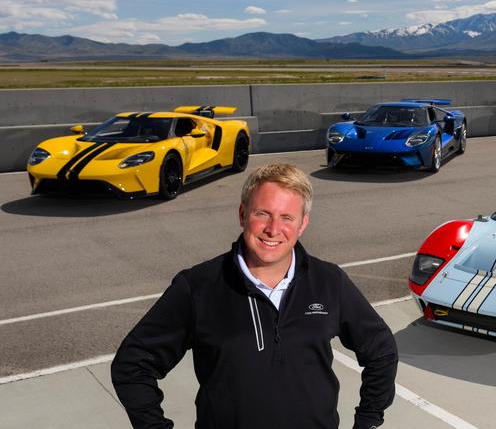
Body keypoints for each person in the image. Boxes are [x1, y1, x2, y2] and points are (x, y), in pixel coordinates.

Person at [111, 163, 398, 429]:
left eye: (287, 217)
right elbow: (132, 364)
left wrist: (368, 419)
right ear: (242, 214)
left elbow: (381, 350)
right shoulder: (198, 286)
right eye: (263, 213)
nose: (273, 229)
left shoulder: (329, 281)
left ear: (302, 224)